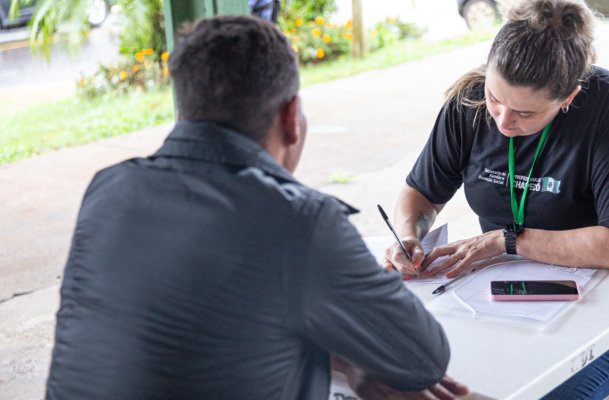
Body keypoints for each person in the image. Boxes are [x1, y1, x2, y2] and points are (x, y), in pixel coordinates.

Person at [45, 15, 469, 400]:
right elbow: (424, 359)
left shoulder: (107, 190)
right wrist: (357, 354)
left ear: (183, 110)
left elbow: (189, 326)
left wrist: (342, 358)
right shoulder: (297, 220)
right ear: (291, 118)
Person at [382, 0, 609, 398]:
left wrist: (507, 241)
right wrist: (410, 235)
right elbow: (421, 194)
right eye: (495, 98)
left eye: (525, 114)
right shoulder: (469, 101)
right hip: (511, 292)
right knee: (425, 373)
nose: (503, 121)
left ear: (568, 97)